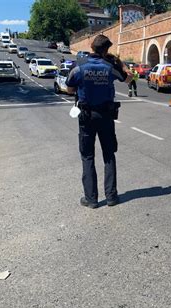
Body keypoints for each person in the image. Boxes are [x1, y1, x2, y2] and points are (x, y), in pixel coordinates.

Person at [66, 35, 129, 209]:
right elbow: (129, 78)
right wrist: (119, 62)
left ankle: (91, 199)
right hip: (106, 117)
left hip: (86, 117)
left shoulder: (78, 67)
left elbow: (70, 88)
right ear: (106, 50)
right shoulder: (110, 67)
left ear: (91, 47)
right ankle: (111, 197)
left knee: (87, 156)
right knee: (109, 155)